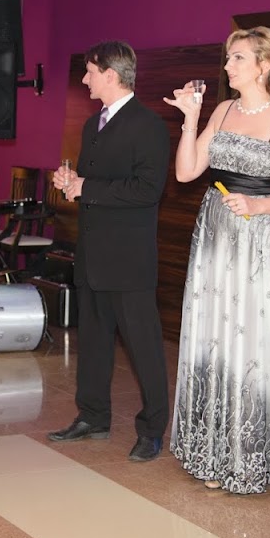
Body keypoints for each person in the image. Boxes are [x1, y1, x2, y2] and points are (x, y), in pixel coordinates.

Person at [165, 26, 270, 494]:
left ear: (264, 66)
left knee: (251, 340)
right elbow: (186, 172)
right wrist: (191, 119)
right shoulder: (223, 110)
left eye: (237, 58)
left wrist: (259, 204)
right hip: (215, 236)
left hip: (262, 240)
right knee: (214, 335)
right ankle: (210, 451)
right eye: (228, 57)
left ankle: (251, 454)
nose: (228, 65)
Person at [46, 41, 171, 463]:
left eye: (90, 72)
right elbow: (93, 185)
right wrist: (72, 183)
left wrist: (88, 187)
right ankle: (92, 416)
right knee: (94, 343)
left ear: (111, 75)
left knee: (144, 347)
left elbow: (147, 190)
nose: (85, 80)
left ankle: (152, 430)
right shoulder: (91, 125)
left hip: (129, 258)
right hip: (92, 254)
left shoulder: (148, 125)